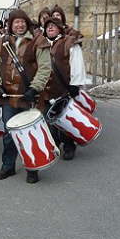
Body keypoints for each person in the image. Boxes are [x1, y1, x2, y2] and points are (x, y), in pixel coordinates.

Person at [0, 9, 51, 184]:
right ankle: (8, 166)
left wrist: (35, 88)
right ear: (11, 24)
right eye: (16, 22)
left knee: (30, 133)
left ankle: (32, 167)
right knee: (9, 134)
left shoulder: (39, 41)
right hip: (9, 97)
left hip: (29, 96)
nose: (19, 25)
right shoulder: (1, 43)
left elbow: (45, 68)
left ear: (27, 23)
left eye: (22, 21)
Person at [39, 15, 87, 160]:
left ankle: (69, 146)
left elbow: (77, 63)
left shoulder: (69, 43)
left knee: (65, 119)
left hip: (64, 88)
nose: (50, 28)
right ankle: (54, 145)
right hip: (46, 90)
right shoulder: (40, 45)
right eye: (48, 26)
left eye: (53, 25)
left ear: (60, 28)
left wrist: (75, 85)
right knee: (48, 120)